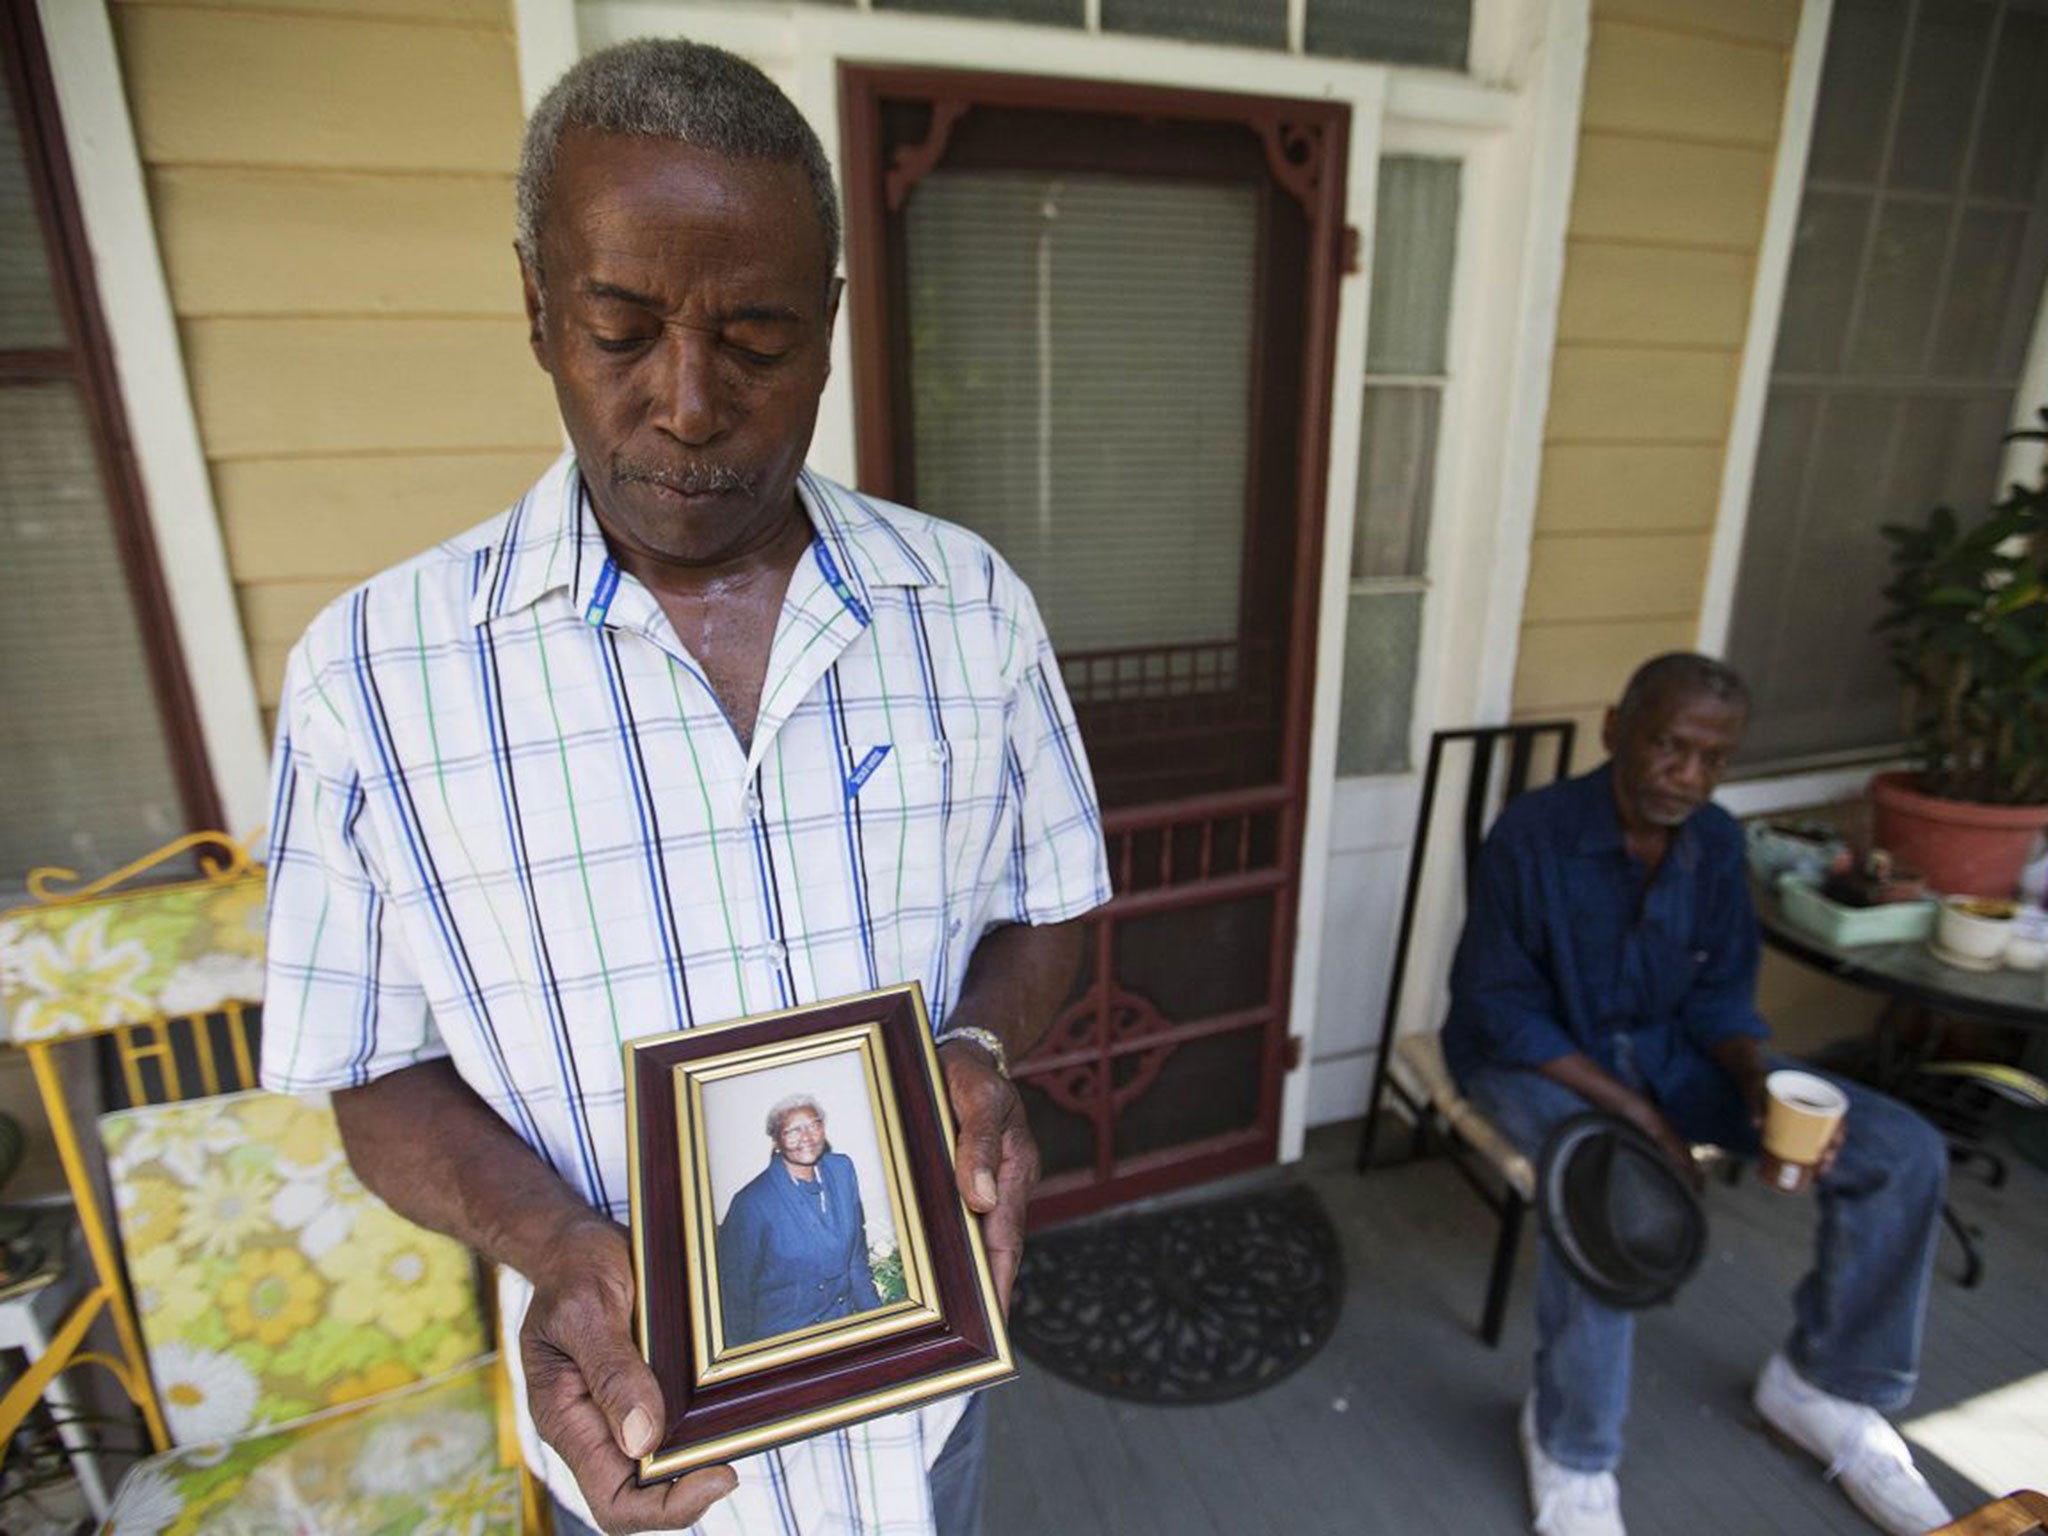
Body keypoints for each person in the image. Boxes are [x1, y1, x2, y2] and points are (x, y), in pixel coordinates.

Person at [260, 37, 1109, 1536]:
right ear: (535, 308)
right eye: (622, 329)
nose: (692, 402)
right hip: (643, 1447)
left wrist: (977, 1046)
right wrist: (553, 1239)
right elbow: (373, 1073)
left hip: (923, 1427)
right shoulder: (373, 681)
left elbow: (1054, 911)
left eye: (760, 337)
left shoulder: (970, 609)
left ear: (835, 329)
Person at [1443, 653, 1952, 1536]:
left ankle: (1822, 1387)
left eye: (1713, 759)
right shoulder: (1534, 833)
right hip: (1534, 1062)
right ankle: (1571, 1446)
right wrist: (1640, 1118)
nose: (1688, 775)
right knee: (1615, 1194)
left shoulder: (1715, 842)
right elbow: (1501, 1011)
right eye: (1668, 747)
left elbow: (1720, 999)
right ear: (1615, 732)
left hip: (1673, 1052)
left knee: (1901, 1148)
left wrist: (1758, 1083)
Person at [718, 1095, 883, 1347]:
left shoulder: (842, 1170)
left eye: (813, 1125)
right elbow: (735, 1293)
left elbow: (856, 1260)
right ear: (776, 1140)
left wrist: (880, 1324)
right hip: (787, 1338)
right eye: (793, 1131)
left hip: (844, 1325)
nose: (806, 1137)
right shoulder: (751, 1202)